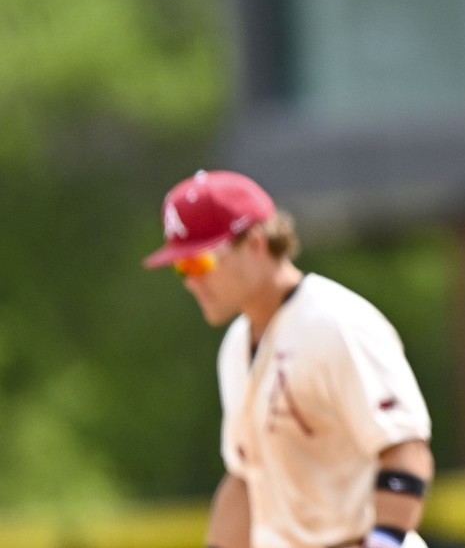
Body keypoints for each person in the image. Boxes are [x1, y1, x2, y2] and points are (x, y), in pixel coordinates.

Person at [143, 170, 434, 548]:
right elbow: (246, 479)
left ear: (256, 243)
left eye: (199, 262)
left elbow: (405, 448)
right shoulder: (236, 345)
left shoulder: (335, 322)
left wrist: (384, 541)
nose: (190, 280)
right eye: (182, 266)